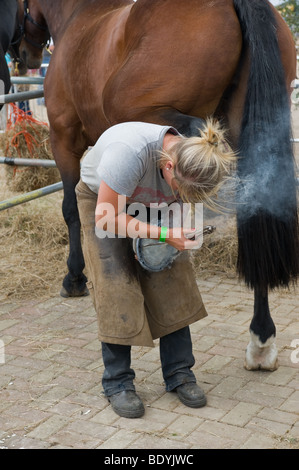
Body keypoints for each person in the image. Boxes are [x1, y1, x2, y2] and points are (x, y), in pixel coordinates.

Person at [76, 120, 235, 418]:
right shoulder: (129, 153)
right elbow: (106, 217)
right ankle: (118, 382)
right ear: (168, 167)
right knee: (117, 284)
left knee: (173, 278)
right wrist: (161, 234)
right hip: (105, 203)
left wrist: (173, 237)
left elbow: (184, 199)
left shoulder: (193, 159)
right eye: (183, 191)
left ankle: (179, 373)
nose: (188, 198)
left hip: (150, 201)